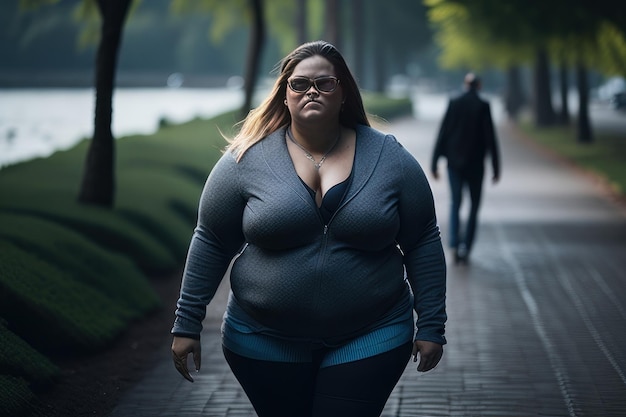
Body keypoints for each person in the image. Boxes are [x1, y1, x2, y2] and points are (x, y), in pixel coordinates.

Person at [171, 40, 447, 417]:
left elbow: (423, 240)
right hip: (262, 339)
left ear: (344, 92)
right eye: (299, 84)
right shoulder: (245, 159)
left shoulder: (390, 158)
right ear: (284, 95)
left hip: (372, 333)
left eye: (325, 83)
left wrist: (431, 324)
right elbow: (212, 240)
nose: (311, 91)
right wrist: (187, 323)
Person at [431, 73, 501, 264]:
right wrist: (496, 166)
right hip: (476, 165)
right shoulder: (483, 105)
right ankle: (467, 246)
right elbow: (490, 138)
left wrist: (434, 162)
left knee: (456, 202)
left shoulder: (454, 102)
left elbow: (443, 132)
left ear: (465, 85)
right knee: (474, 205)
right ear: (479, 86)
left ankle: (454, 242)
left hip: (454, 164)